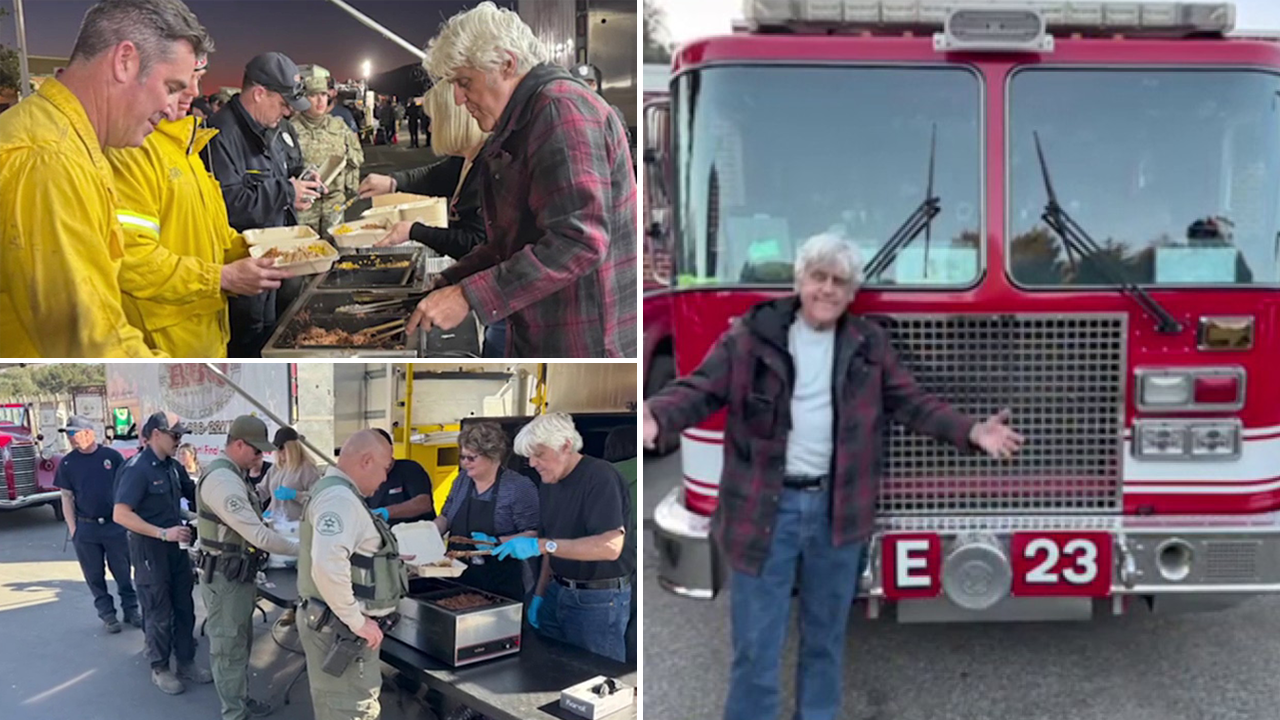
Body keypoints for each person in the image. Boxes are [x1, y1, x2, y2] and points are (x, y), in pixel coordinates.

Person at [643, 234, 1025, 720]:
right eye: (818, 277)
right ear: (800, 281)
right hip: (765, 512)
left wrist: (971, 431)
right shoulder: (750, 338)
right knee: (756, 650)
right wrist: (657, 414)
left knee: (825, 643)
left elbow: (913, 403)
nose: (826, 289)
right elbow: (699, 389)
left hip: (837, 516)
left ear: (851, 293)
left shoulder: (869, 346)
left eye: (838, 281)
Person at [412, 2, 637, 358]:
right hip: (548, 332)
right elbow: (512, 240)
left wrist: (470, 295)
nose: (458, 98)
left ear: (506, 63)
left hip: (582, 343)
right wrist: (454, 280)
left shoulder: (561, 110)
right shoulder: (525, 117)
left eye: (464, 82)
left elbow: (579, 240)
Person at [0, 0, 211, 357]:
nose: (173, 104)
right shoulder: (51, 161)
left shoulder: (66, 142)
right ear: (124, 61)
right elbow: (88, 335)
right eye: (171, 86)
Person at [106, 51, 291, 358]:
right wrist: (221, 277)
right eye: (182, 80)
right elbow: (130, 258)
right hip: (165, 342)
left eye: (197, 79)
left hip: (205, 333)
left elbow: (215, 235)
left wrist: (261, 252)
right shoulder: (132, 151)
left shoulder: (187, 148)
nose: (193, 91)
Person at [490, 413, 633, 663]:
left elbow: (610, 546)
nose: (533, 463)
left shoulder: (600, 477)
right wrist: (540, 594)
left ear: (566, 445)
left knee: (596, 681)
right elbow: (548, 542)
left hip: (598, 600)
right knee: (551, 671)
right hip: (557, 591)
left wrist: (542, 545)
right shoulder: (549, 481)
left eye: (539, 454)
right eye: (529, 456)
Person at [206, 51, 320, 357]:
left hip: (272, 261)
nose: (286, 114)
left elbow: (283, 172)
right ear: (259, 93)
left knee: (270, 335)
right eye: (283, 104)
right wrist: (285, 192)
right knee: (249, 343)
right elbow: (228, 205)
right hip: (243, 267)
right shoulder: (220, 135)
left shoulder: (268, 128)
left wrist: (302, 181)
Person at [196, 415, 301, 720]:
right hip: (225, 578)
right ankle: (234, 713)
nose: (262, 456)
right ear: (239, 444)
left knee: (240, 644)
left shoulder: (235, 475)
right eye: (257, 450)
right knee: (229, 648)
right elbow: (256, 533)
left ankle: (239, 700)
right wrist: (302, 549)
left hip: (237, 575)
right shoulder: (223, 479)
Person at [297, 429, 405, 720]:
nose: (385, 479)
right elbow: (327, 564)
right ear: (367, 460)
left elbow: (349, 554)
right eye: (385, 468)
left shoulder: (336, 492)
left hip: (336, 626)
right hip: (341, 631)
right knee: (349, 710)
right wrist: (356, 621)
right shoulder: (340, 499)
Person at [113, 411, 213, 695]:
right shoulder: (137, 469)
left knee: (184, 606)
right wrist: (162, 532)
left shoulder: (172, 466)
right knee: (158, 611)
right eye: (175, 435)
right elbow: (121, 514)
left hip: (176, 548)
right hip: (150, 549)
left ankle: (186, 662)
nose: (179, 441)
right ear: (156, 434)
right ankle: (160, 668)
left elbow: (191, 496)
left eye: (181, 436)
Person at [433, 422, 539, 601]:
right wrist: (425, 533)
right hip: (459, 581)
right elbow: (446, 516)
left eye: (471, 458)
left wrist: (496, 542)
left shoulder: (518, 487)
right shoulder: (461, 481)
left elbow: (534, 533)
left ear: (493, 456)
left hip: (502, 584)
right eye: (462, 457)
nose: (465, 463)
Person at [55, 416, 139, 634]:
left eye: (74, 433)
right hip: (87, 527)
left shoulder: (111, 456)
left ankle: (131, 610)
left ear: (89, 433)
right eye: (68, 434)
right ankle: (107, 614)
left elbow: (126, 488)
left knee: (123, 571)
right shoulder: (67, 462)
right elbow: (66, 497)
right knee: (94, 575)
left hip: (114, 525)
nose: (71, 438)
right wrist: (74, 530)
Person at [294, 64, 364, 236]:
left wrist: (343, 165)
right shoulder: (290, 130)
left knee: (337, 250)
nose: (320, 101)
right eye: (313, 95)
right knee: (305, 251)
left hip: (334, 202)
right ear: (304, 98)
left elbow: (358, 157)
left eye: (324, 95)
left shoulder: (339, 126)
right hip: (304, 204)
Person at [366, 428, 437, 525]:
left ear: (390, 450)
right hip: (385, 536)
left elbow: (423, 503)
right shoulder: (365, 479)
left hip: (416, 532)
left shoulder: (410, 469)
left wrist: (386, 512)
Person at [260, 426, 321, 522]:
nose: (279, 452)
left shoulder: (307, 468)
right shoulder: (276, 468)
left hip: (297, 526)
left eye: (281, 447)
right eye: (276, 448)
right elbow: (262, 490)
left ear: (291, 447)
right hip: (276, 523)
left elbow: (318, 498)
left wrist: (296, 495)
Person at [570, 62, 631, 147]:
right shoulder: (566, 114)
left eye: (591, 84)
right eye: (580, 84)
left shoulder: (611, 113)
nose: (586, 89)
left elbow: (624, 145)